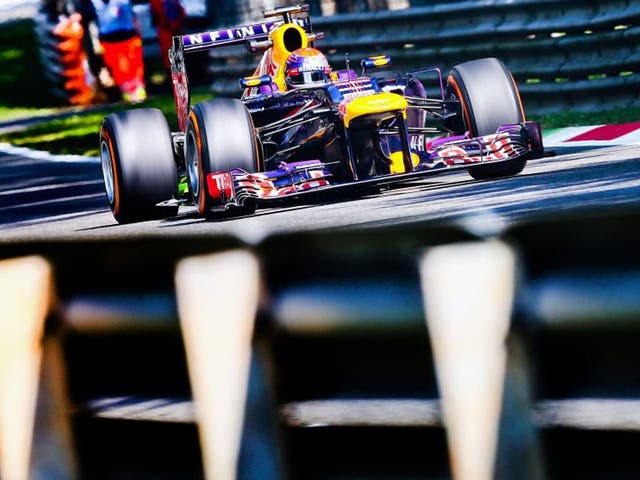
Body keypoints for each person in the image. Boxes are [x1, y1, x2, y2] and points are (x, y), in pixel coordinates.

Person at [79, 0, 146, 102]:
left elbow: (133, 15)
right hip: (108, 39)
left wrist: (138, 31)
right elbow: (88, 18)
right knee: (118, 69)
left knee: (134, 67)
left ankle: (138, 92)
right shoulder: (94, 3)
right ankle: (128, 94)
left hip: (129, 36)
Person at [150, 0, 186, 71]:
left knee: (175, 59)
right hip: (167, 33)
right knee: (173, 60)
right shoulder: (156, 3)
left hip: (172, 31)